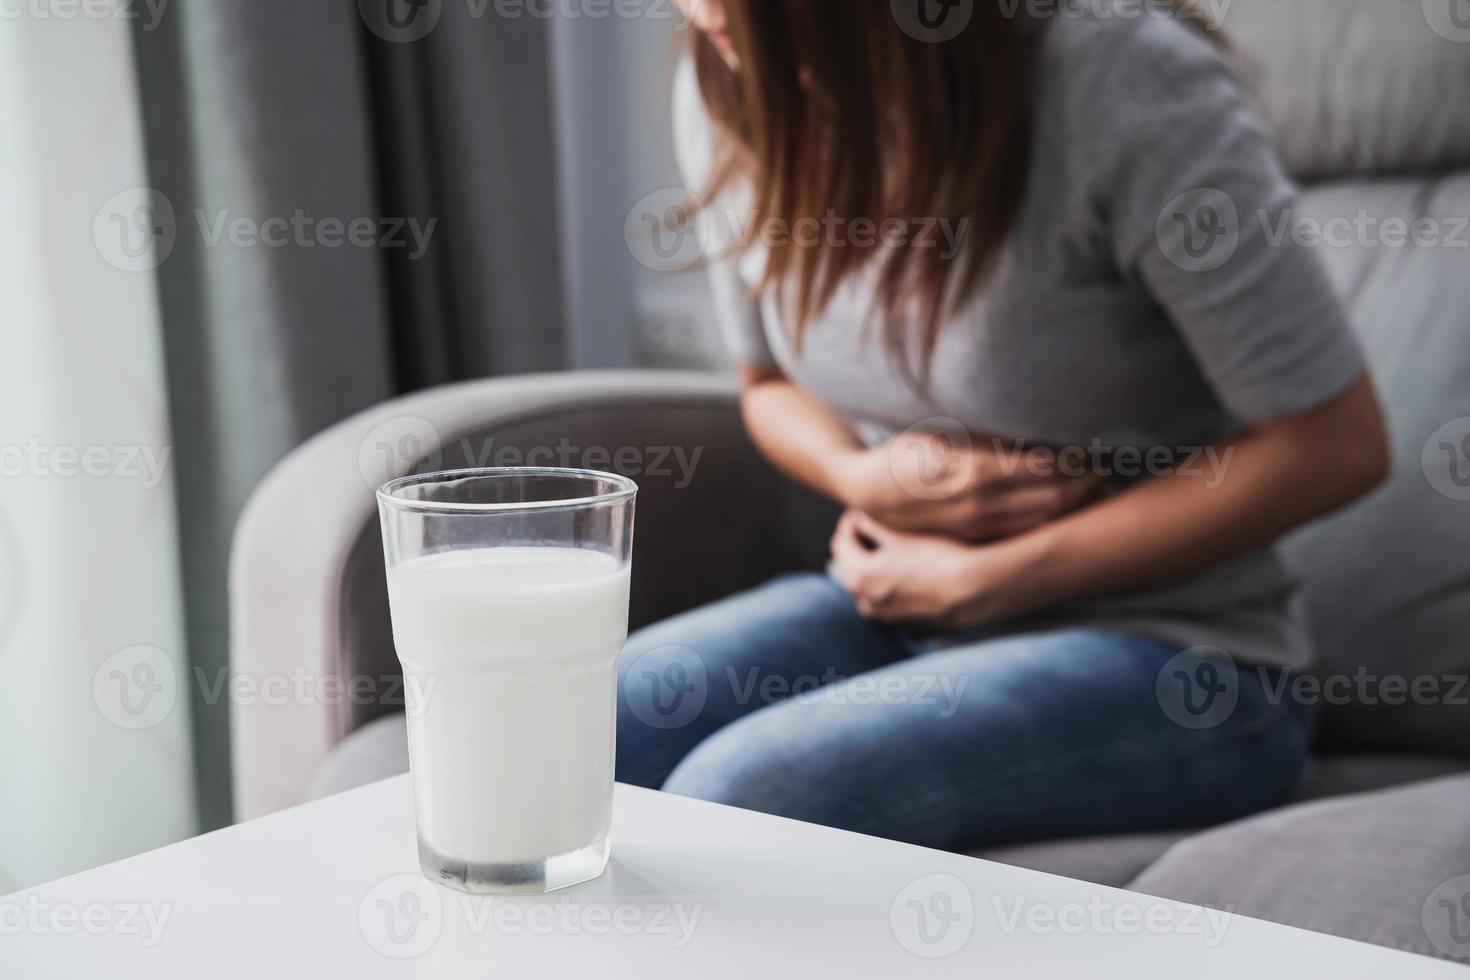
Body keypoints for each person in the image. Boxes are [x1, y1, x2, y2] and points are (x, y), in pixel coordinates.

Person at [615, 0, 1390, 852]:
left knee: (736, 799)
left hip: (1179, 658)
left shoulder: (1116, 75)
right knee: (574, 728)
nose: (697, 8)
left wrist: (993, 580)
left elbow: (1335, 443)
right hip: (893, 605)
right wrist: (858, 478)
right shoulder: (734, 73)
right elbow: (763, 384)